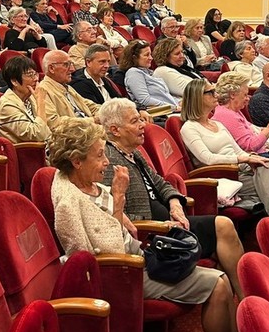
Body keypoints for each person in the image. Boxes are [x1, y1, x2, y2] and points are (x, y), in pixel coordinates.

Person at [49, 117, 249, 332]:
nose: (106, 162)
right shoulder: (68, 202)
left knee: (221, 281)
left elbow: (122, 230)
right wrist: (119, 200)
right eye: (99, 155)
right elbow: (86, 265)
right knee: (218, 285)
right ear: (77, 162)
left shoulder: (88, 184)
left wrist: (119, 207)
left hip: (137, 259)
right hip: (124, 277)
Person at [101, 97, 246, 285]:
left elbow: (161, 183)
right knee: (223, 226)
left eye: (141, 119)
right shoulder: (109, 161)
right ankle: (241, 292)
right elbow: (117, 214)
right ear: (115, 130)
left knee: (223, 226)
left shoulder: (133, 152)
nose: (142, 125)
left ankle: (240, 291)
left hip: (170, 220)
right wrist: (161, 225)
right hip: (154, 232)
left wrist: (175, 203)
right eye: (135, 121)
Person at [179, 78, 269, 214]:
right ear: (197, 97)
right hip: (223, 175)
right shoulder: (189, 128)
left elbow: (238, 150)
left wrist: (250, 157)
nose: (216, 95)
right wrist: (243, 159)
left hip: (241, 169)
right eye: (211, 92)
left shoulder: (217, 124)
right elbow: (207, 159)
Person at [213, 71, 269, 176]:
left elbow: (252, 131)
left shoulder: (234, 111)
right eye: (245, 95)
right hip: (256, 161)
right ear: (232, 95)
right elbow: (250, 146)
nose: (247, 98)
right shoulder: (226, 115)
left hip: (264, 153)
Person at [0, 55, 50, 143]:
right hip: (29, 150)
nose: (36, 79)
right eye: (30, 75)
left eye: (35, 74)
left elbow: (49, 124)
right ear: (14, 81)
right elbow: (39, 135)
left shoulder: (30, 97)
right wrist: (40, 101)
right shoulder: (7, 106)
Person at [38, 50, 101, 124]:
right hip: (80, 129)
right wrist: (92, 120)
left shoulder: (66, 87)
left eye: (71, 64)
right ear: (51, 68)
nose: (72, 69)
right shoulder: (43, 90)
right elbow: (54, 123)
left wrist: (104, 114)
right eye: (66, 65)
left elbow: (89, 105)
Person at [120, 39, 179, 112]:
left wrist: (178, 102)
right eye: (146, 55)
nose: (151, 58)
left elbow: (165, 96)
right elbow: (145, 100)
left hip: (170, 109)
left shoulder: (149, 72)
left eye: (150, 54)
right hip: (159, 113)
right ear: (134, 58)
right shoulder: (133, 73)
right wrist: (173, 107)